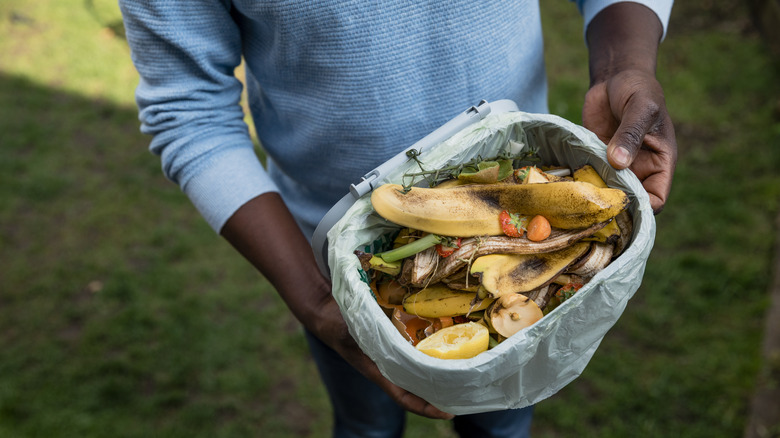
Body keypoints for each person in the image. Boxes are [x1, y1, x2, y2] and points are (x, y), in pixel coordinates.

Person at [119, 1, 677, 436]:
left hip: (530, 200)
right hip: (340, 268)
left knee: (504, 421)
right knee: (367, 425)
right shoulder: (331, 286)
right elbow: (188, 112)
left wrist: (621, 67)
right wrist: (316, 301)